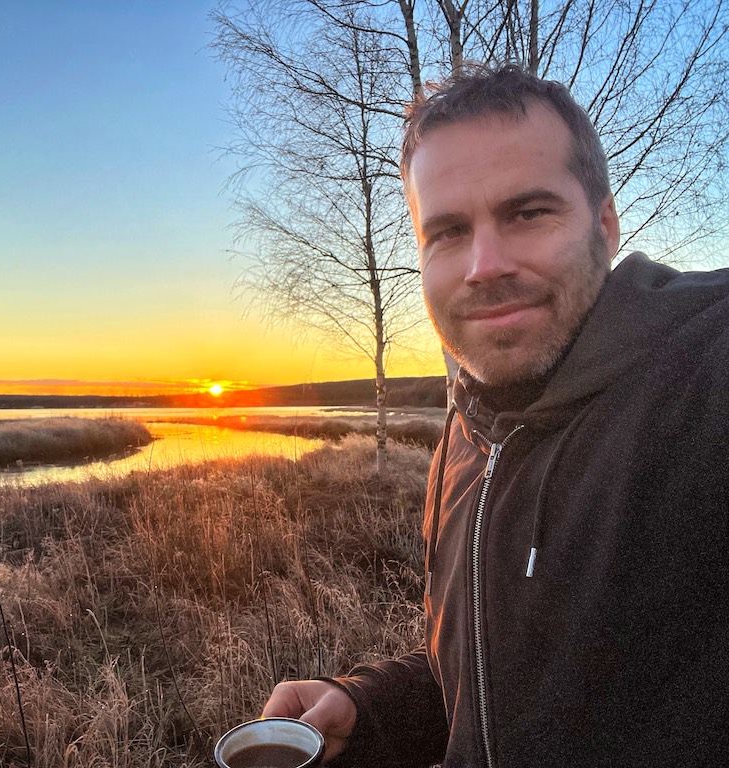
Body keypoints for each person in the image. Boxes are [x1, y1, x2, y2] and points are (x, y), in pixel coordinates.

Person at [261, 64, 729, 767]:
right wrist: (371, 706)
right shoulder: (471, 424)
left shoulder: (698, 372)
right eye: (447, 231)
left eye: (528, 213)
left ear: (604, 222)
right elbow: (501, 677)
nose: (484, 263)